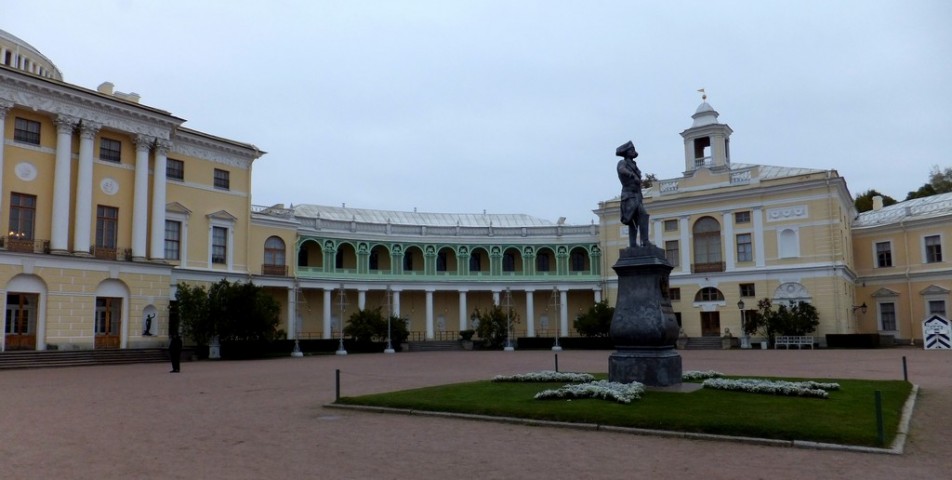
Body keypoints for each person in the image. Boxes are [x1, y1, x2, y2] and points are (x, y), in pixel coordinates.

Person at [616, 141, 650, 248]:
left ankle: (639, 243)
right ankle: (640, 242)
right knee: (635, 219)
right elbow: (621, 170)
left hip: (637, 195)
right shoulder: (622, 162)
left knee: (639, 217)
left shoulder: (634, 165)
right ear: (626, 152)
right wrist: (632, 175)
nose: (633, 152)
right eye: (631, 150)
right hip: (629, 195)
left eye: (633, 150)